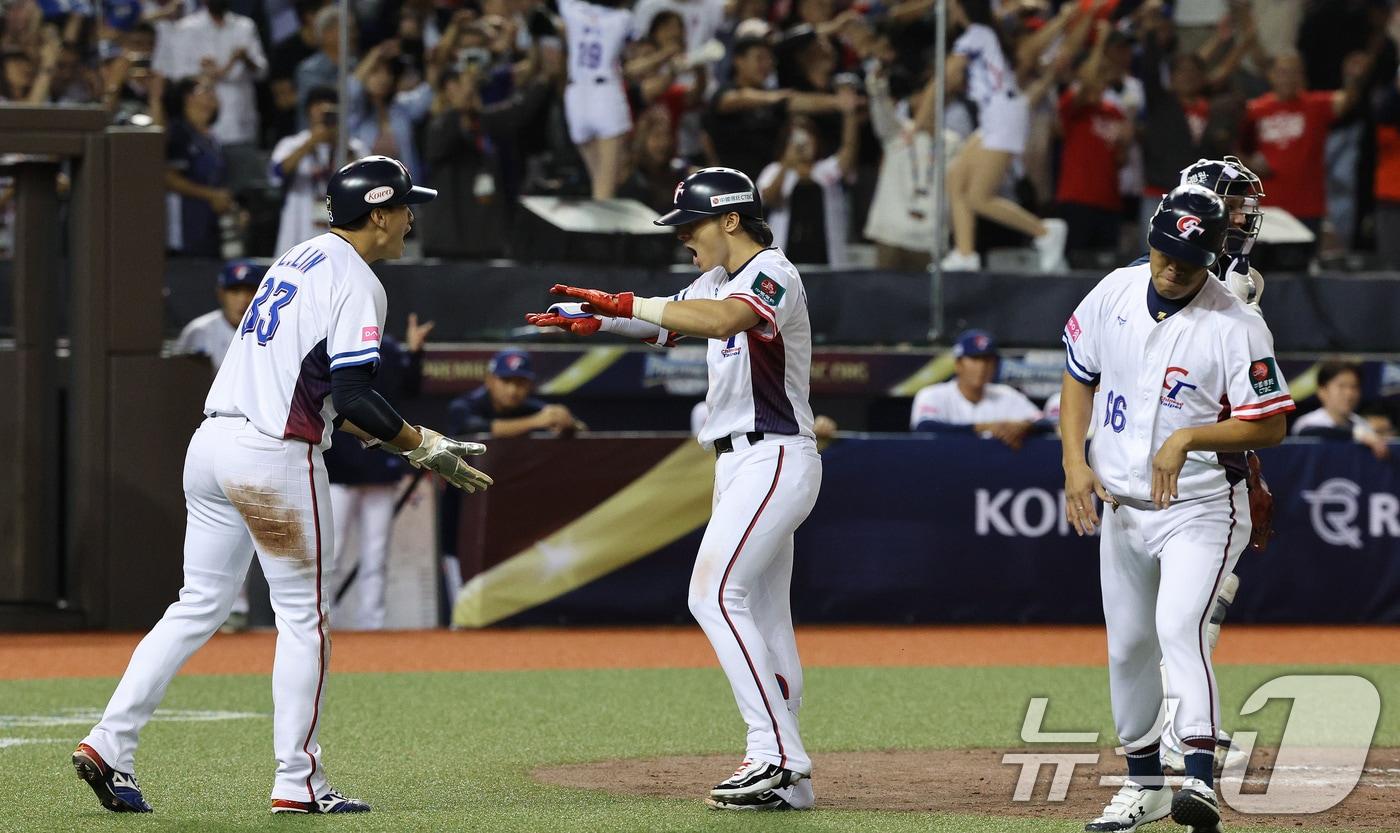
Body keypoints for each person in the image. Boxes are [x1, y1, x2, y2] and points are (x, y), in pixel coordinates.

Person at [73, 155, 492, 816]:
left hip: (211, 443)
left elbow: (320, 391)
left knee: (197, 603)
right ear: (378, 212)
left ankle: (109, 741)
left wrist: (404, 441)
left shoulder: (297, 256)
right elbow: (352, 396)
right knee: (304, 618)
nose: (413, 218)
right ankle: (299, 778)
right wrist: (423, 444)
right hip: (272, 456)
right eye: (407, 206)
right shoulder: (358, 279)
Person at [527, 167, 820, 812]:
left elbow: (722, 321)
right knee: (766, 618)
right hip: (740, 462)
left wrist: (626, 303)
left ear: (732, 220)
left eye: (692, 224)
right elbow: (673, 325)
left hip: (773, 454)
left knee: (713, 592)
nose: (683, 236)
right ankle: (789, 780)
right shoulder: (717, 278)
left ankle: (775, 754)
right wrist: (599, 320)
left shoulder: (774, 270)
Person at [1061, 183, 1293, 833]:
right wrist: (1074, 461)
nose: (1170, 267)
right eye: (1163, 252)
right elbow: (1078, 372)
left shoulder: (1235, 324)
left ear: (1212, 256)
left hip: (1201, 504)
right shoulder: (1114, 290)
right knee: (1127, 648)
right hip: (1125, 506)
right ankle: (1143, 785)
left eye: (1186, 261)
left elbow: (1270, 426)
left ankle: (1198, 775)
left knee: (1179, 626)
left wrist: (1190, 436)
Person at [325, 315, 436, 630]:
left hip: (379, 464)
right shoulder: (332, 346)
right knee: (330, 555)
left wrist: (414, 353)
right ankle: (319, 625)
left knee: (376, 554)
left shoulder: (387, 348)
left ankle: (371, 624)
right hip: (339, 466)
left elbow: (409, 390)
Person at [940, 0, 1067, 273]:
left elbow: (950, 76)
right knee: (954, 177)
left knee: (979, 196)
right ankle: (965, 253)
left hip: (1003, 116)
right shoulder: (986, 32)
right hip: (994, 114)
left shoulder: (976, 34)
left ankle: (1044, 231)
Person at [756, 85, 861, 267]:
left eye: (807, 137)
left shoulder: (825, 170)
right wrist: (786, 165)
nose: (802, 144)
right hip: (785, 259)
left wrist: (849, 114)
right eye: (796, 138)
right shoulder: (773, 170)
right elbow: (769, 199)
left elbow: (849, 150)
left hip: (825, 257)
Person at [269, 85, 369, 256]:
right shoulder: (292, 143)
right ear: (308, 111)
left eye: (329, 107)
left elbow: (366, 182)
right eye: (318, 106)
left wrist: (340, 144)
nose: (323, 112)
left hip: (340, 231)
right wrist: (311, 143)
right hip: (299, 228)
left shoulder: (353, 147)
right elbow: (277, 174)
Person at [909, 329, 1042, 450]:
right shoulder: (932, 394)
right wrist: (985, 427)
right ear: (958, 364)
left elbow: (1046, 422)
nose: (982, 367)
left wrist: (1025, 426)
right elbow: (925, 427)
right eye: (975, 359)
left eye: (987, 360)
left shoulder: (1007, 394)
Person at [558, 0, 634, 199]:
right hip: (604, 93)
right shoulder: (623, 18)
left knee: (599, 181)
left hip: (576, 95)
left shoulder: (572, 9)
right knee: (606, 185)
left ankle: (596, 223)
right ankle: (600, 229)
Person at [164, 77, 231, 257]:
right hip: (185, 226)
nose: (213, 95)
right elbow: (168, 179)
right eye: (205, 90)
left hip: (210, 225)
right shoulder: (179, 131)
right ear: (188, 97)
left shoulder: (212, 138)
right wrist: (211, 194)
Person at [446, 350, 582, 439]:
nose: (512, 390)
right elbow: (474, 428)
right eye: (506, 380)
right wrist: (535, 421)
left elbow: (581, 429)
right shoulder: (464, 405)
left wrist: (569, 423)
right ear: (490, 380)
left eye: (520, 382)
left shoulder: (530, 407)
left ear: (529, 385)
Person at [171, 259, 266, 372]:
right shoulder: (199, 330)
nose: (243, 299)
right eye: (235, 292)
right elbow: (177, 374)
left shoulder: (271, 331)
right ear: (221, 294)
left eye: (250, 291)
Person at [1292, 362, 1390, 460]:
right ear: (1323, 391)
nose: (1349, 394)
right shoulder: (1307, 422)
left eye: (1354, 386)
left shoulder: (1362, 425)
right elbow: (1307, 432)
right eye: (1341, 386)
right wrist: (1357, 434)